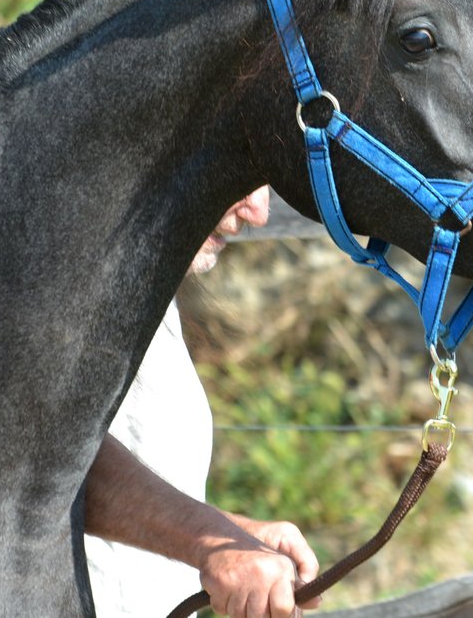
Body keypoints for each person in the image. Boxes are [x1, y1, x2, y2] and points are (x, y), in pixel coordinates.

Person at [84, 187, 322, 618]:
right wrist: (210, 539)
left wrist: (238, 534)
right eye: (244, 174)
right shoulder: (58, 284)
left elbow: (121, 479)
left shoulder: (149, 297)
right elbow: (43, 457)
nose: (260, 212)